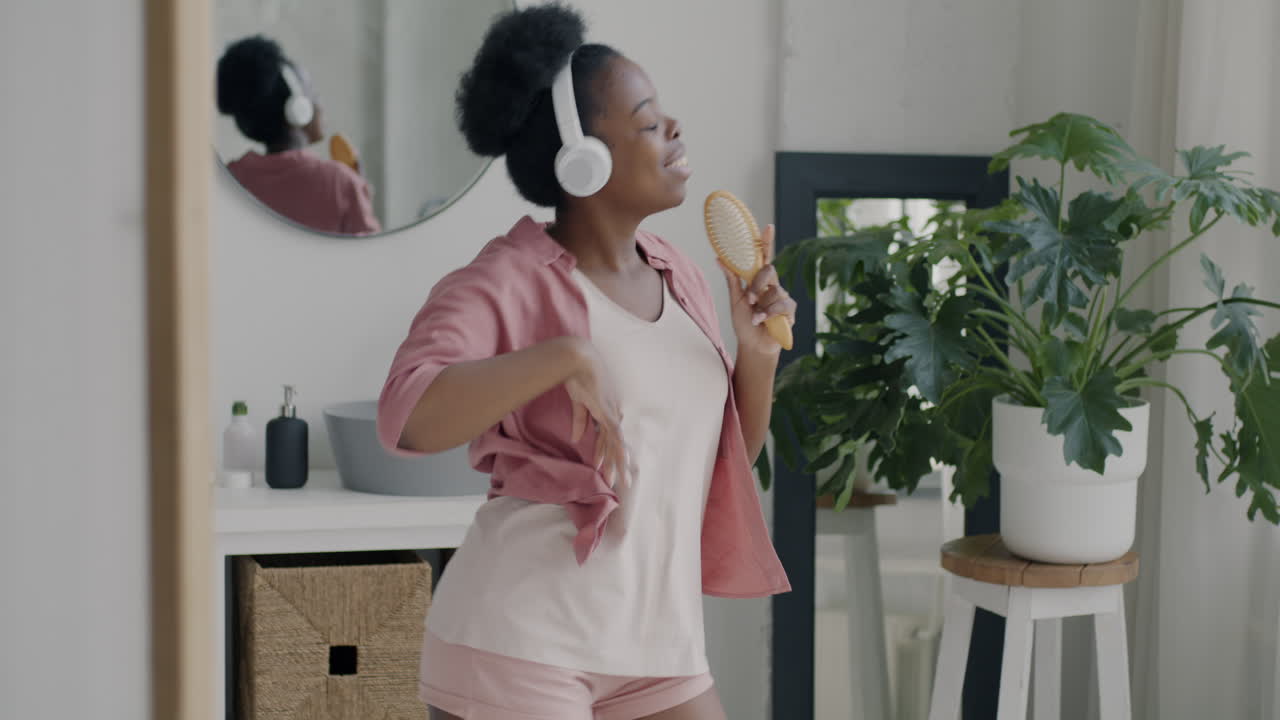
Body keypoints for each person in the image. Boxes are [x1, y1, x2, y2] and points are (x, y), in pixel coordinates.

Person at [377, 5, 795, 719]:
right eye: (646, 119)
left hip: (658, 651)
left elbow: (715, 465)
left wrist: (755, 359)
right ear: (584, 159)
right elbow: (405, 417)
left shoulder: (680, 276)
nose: (673, 128)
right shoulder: (504, 279)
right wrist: (563, 355)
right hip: (522, 640)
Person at [216, 35, 380, 235]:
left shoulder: (230, 179)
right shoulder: (341, 182)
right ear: (297, 108)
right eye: (312, 91)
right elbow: (372, 256)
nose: (319, 101)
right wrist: (358, 192)